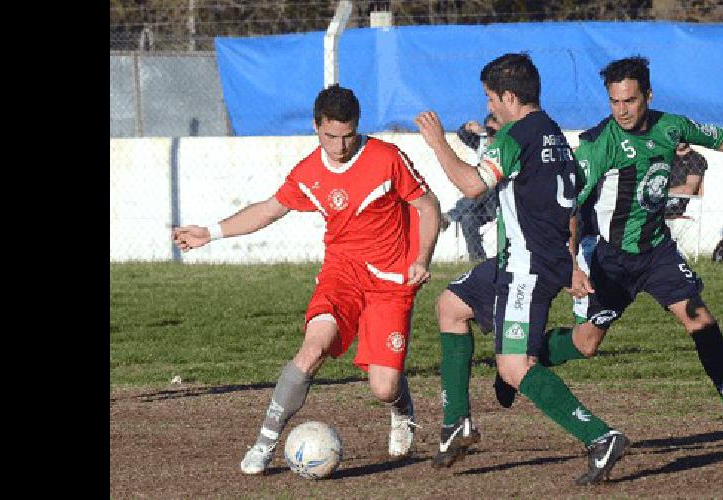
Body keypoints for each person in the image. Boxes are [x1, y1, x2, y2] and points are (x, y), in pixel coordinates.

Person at [492, 56, 723, 455]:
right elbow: (570, 210)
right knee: (586, 344)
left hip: (657, 252)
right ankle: (521, 362)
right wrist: (573, 262)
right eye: (615, 102)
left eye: (630, 100)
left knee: (700, 320)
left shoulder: (672, 126)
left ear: (648, 95)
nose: (622, 110)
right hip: (612, 260)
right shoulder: (599, 145)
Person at [171, 84, 442, 475]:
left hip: (391, 281)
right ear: (317, 127)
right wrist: (211, 233)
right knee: (313, 348)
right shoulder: (308, 171)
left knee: (383, 387)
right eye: (331, 136)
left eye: (348, 136)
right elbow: (268, 209)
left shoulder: (387, 159)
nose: (341, 146)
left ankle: (401, 410)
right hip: (341, 274)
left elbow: (427, 205)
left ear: (357, 127)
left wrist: (421, 258)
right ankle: (264, 443)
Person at [414, 52, 630, 486]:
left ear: (510, 97)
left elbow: (473, 186)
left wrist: (438, 143)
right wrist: (569, 265)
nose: (489, 107)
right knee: (451, 306)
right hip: (524, 260)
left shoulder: (514, 137)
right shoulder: (552, 134)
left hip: (526, 270)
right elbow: (567, 211)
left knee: (514, 366)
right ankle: (457, 422)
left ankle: (599, 436)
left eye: (492, 99)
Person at [441, 114, 502, 261]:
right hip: (484, 203)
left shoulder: (508, 144)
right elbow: (462, 135)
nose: (491, 134)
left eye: (494, 130)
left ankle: (450, 216)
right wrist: (468, 126)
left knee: (488, 185)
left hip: (501, 200)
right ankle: (477, 260)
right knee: (468, 218)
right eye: (489, 129)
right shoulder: (482, 142)